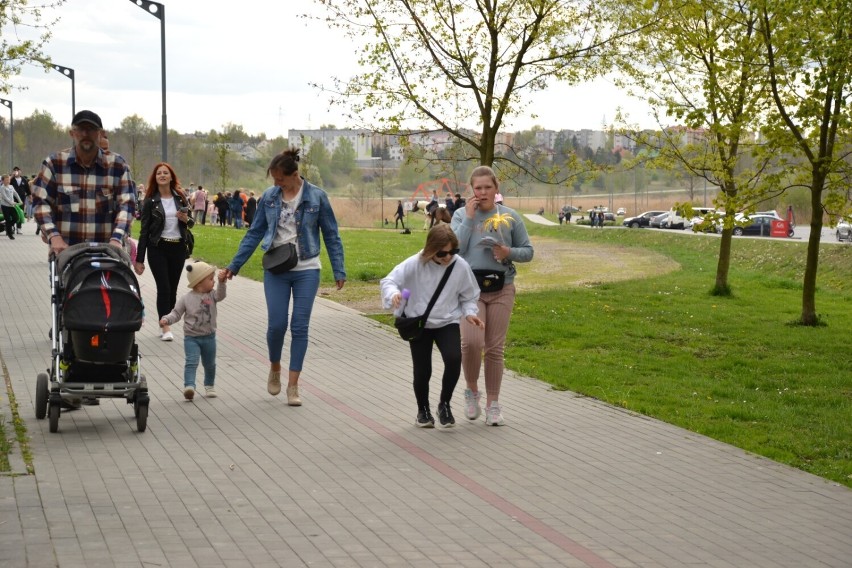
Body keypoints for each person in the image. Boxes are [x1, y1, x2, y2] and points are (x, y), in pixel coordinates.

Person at [223, 148, 346, 407]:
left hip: (307, 268)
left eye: (280, 179)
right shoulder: (269, 197)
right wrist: (234, 266)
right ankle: (275, 367)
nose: (276, 184)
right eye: (274, 179)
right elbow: (254, 233)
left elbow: (332, 235)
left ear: (294, 174)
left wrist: (338, 269)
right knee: (277, 325)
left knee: (300, 326)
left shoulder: (316, 197)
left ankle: (293, 385)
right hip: (276, 269)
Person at [450, 165, 534, 426]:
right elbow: (452, 249)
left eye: (488, 187)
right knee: (471, 343)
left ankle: (493, 404)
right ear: (471, 190)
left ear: (496, 189)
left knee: (495, 348)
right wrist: (468, 218)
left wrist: (508, 253)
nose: (483, 192)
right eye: (478, 188)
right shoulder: (461, 215)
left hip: (501, 288)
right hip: (469, 291)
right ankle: (472, 391)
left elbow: (528, 251)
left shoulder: (509, 217)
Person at [381, 224, 483, 428]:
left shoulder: (459, 265)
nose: (447, 257)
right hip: (420, 322)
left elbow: (469, 294)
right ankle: (423, 410)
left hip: (447, 321)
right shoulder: (414, 264)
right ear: (430, 250)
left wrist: (470, 312)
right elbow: (389, 280)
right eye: (442, 253)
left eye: (452, 251)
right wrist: (394, 294)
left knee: (454, 359)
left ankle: (444, 404)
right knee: (422, 370)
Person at [32, 110, 136, 256]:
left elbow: (127, 205)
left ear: (100, 133)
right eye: (81, 129)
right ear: (72, 133)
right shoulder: (54, 164)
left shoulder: (117, 166)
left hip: (106, 254)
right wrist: (53, 236)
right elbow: (40, 203)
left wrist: (117, 239)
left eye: (91, 129)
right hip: (66, 253)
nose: (85, 134)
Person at [134, 162, 195, 342]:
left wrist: (185, 219)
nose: (162, 175)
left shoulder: (180, 197)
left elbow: (191, 223)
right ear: (155, 177)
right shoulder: (150, 201)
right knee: (164, 288)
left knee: (173, 289)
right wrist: (139, 259)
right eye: (159, 173)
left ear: (171, 177)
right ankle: (165, 326)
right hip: (157, 248)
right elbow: (144, 231)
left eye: (165, 173)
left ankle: (166, 318)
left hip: (177, 248)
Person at [159, 261, 228, 400]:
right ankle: (189, 386)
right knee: (192, 362)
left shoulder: (212, 295)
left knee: (210, 364)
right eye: (210, 279)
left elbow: (221, 295)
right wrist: (167, 319)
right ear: (198, 283)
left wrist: (222, 283)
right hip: (191, 338)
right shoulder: (186, 298)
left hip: (209, 337)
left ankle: (209, 386)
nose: (213, 281)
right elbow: (176, 313)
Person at [1, 174, 23, 240]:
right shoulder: (2, 187)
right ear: (2, 181)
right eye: (6, 180)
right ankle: (10, 234)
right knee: (8, 219)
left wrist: (20, 200)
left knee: (16, 218)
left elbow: (15, 193)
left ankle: (7, 226)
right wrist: (12, 202)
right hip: (5, 206)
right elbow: (5, 197)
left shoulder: (11, 186)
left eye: (9, 179)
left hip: (11, 206)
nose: (8, 181)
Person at [10, 167, 29, 231]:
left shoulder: (24, 180)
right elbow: (5, 184)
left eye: (17, 170)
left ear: (20, 171)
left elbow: (28, 189)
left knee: (20, 212)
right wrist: (12, 176)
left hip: (21, 199)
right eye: (15, 170)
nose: (16, 171)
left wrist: (30, 197)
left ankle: (19, 227)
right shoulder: (11, 179)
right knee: (13, 212)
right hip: (12, 199)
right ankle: (12, 226)